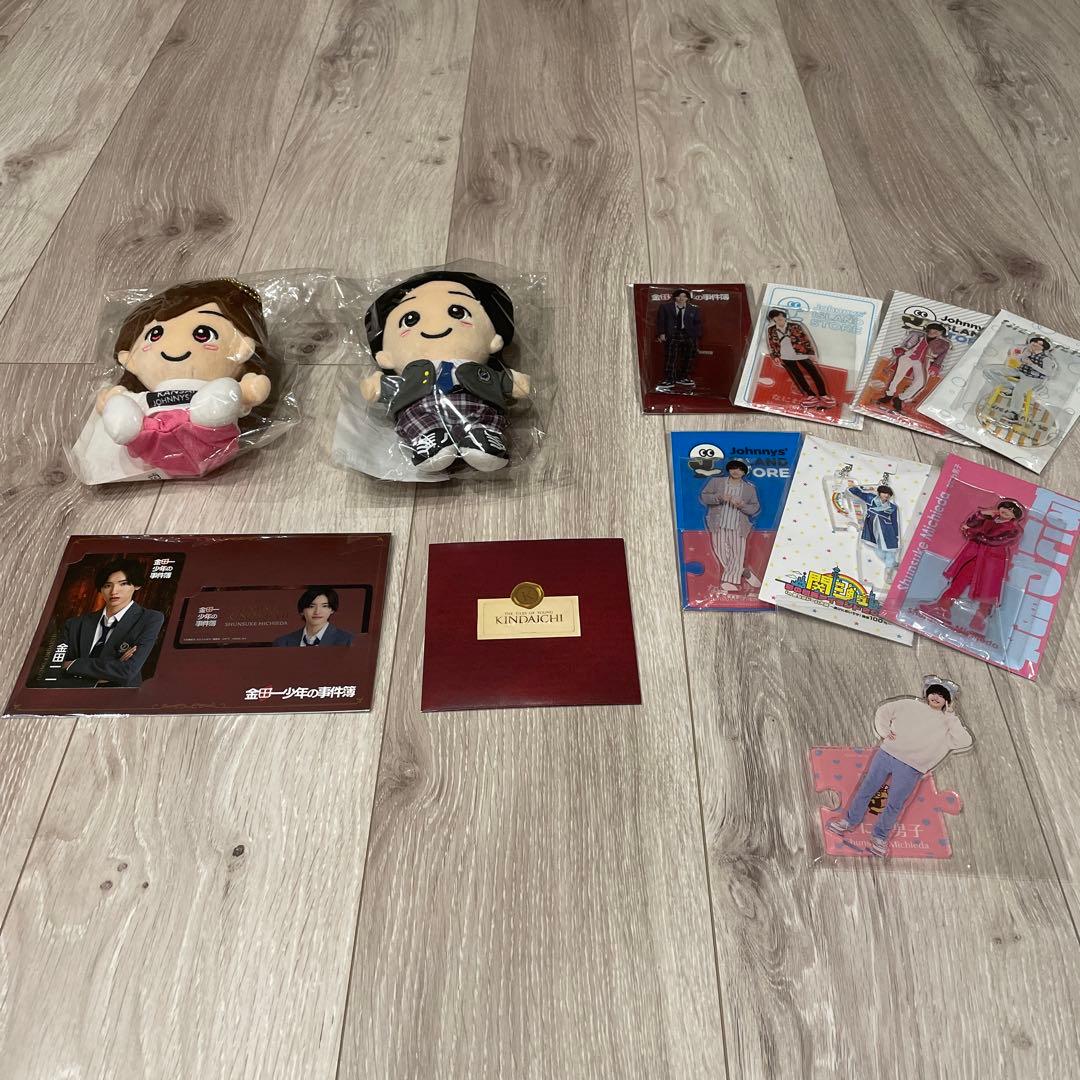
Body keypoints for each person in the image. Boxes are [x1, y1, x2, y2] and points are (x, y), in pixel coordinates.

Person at [96, 279, 277, 478]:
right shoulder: (145, 396)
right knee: (124, 413)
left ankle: (210, 414)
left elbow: (248, 393)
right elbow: (127, 402)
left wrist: (247, 391)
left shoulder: (217, 388)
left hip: (209, 438)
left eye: (203, 333)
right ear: (130, 361)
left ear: (243, 348)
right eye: (155, 335)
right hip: (150, 444)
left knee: (222, 395)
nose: (173, 347)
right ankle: (127, 427)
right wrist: (116, 400)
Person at [359, 271, 529, 473]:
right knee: (414, 419)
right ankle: (430, 439)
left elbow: (500, 380)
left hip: (476, 406)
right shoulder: (411, 374)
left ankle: (483, 437)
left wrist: (514, 382)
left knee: (487, 415)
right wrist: (378, 386)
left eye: (458, 312)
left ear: (494, 341)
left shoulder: (480, 370)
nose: (435, 324)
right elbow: (395, 387)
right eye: (410, 319)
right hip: (422, 411)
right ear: (386, 357)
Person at [827, 679, 972, 857]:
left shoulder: (948, 723)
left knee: (895, 803)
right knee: (866, 789)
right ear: (927, 693)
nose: (936, 697)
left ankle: (879, 837)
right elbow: (884, 711)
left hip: (912, 767)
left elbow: (964, 741)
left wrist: (950, 716)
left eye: (942, 695)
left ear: (947, 701)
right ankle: (849, 821)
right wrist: (884, 731)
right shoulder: (910, 705)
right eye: (934, 692)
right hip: (887, 754)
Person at [918, 500, 1024, 636]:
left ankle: (979, 620)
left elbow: (993, 540)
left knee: (988, 590)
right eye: (1005, 507)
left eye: (1012, 511)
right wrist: (982, 513)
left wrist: (972, 532)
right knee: (959, 580)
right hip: (974, 555)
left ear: (1015, 516)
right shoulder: (989, 519)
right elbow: (971, 523)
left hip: (992, 560)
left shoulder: (1013, 530)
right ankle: (942, 606)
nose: (1007, 511)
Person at [56, 559, 165, 687]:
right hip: (72, 695)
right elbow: (55, 668)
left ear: (136, 585)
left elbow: (126, 671)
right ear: (101, 589)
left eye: (123, 584)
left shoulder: (150, 619)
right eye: (107, 585)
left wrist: (72, 664)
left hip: (120, 697)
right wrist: (113, 666)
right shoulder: (75, 624)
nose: (114, 591)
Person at [700, 459, 761, 593]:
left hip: (738, 527)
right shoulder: (716, 482)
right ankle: (743, 571)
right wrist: (719, 497)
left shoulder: (749, 489)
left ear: (744, 472)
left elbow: (754, 508)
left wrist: (742, 505)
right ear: (728, 469)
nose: (736, 471)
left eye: (740, 469)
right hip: (718, 524)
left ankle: (728, 581)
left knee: (737, 554)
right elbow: (704, 497)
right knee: (720, 551)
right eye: (733, 467)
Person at [765, 309, 836, 409]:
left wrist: (811, 353)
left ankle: (823, 394)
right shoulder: (771, 329)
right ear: (773, 319)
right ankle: (810, 396)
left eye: (781, 316)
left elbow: (804, 339)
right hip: (786, 356)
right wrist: (775, 356)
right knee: (798, 376)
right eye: (776, 317)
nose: (779, 318)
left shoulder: (795, 326)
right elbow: (772, 344)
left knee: (814, 373)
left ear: (785, 317)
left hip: (801, 353)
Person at [877, 321, 949, 412]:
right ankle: (889, 395)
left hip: (923, 362)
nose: (933, 332)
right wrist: (900, 351)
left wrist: (935, 366)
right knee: (897, 377)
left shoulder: (944, 344)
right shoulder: (918, 335)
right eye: (932, 330)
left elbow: (941, 356)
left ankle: (900, 398)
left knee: (920, 383)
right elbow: (905, 343)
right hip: (908, 357)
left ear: (941, 333)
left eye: (936, 331)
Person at [847, 483, 900, 592]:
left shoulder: (893, 507)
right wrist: (862, 487)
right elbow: (854, 491)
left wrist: (896, 535)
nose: (886, 495)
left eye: (888, 494)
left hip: (887, 529)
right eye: (884, 493)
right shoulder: (870, 498)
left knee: (891, 550)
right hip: (872, 527)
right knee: (878, 550)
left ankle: (888, 571)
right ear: (879, 493)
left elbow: (895, 522)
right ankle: (891, 564)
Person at [655, 289, 702, 391]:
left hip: (688, 334)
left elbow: (697, 323)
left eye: (684, 296)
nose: (681, 298)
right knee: (671, 357)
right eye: (679, 296)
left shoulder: (693, 309)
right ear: (675, 297)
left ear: (687, 298)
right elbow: (661, 320)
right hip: (672, 334)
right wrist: (661, 333)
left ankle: (683, 377)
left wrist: (696, 335)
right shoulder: (666, 307)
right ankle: (669, 379)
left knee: (688, 357)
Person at [273, 587, 354, 647]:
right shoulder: (282, 643)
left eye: (324, 606)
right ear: (302, 611)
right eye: (311, 606)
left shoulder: (347, 641)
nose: (317, 612)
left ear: (332, 610)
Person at [1002, 336, 1057, 422]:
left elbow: (1048, 373)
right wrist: (1023, 355)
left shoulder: (1046, 359)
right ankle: (1010, 388)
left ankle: (1014, 413)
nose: (1035, 344)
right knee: (992, 371)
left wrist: (1032, 364)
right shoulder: (1027, 353)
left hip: (1033, 378)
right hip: (1021, 372)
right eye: (1034, 342)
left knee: (1019, 390)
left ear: (1043, 348)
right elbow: (1016, 359)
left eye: (1039, 344)